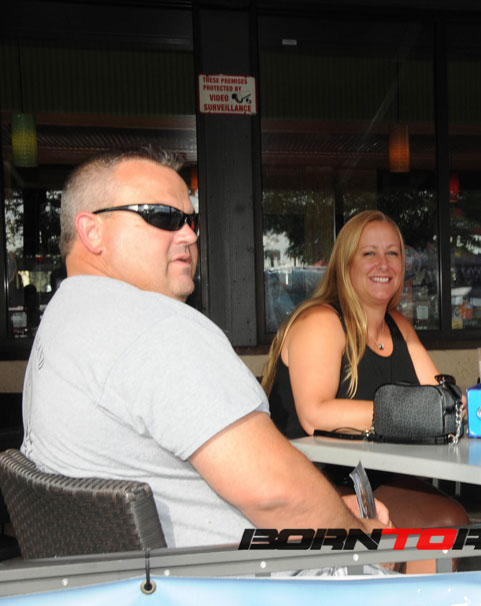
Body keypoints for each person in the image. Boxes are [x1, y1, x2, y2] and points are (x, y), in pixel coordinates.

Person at [21, 148, 387, 556]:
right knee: (422, 550)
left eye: (190, 220)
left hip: (144, 580)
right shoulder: (155, 327)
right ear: (92, 232)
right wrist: (359, 535)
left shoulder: (64, 319)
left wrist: (331, 508)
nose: (189, 235)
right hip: (250, 581)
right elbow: (276, 495)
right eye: (162, 216)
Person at [261, 210, 469, 572]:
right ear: (345, 265)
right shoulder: (321, 321)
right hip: (310, 478)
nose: (383, 264)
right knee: (400, 532)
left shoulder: (397, 325)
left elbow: (441, 402)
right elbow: (315, 414)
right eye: (369, 253)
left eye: (393, 253)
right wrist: (408, 413)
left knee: (447, 522)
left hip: (370, 474)